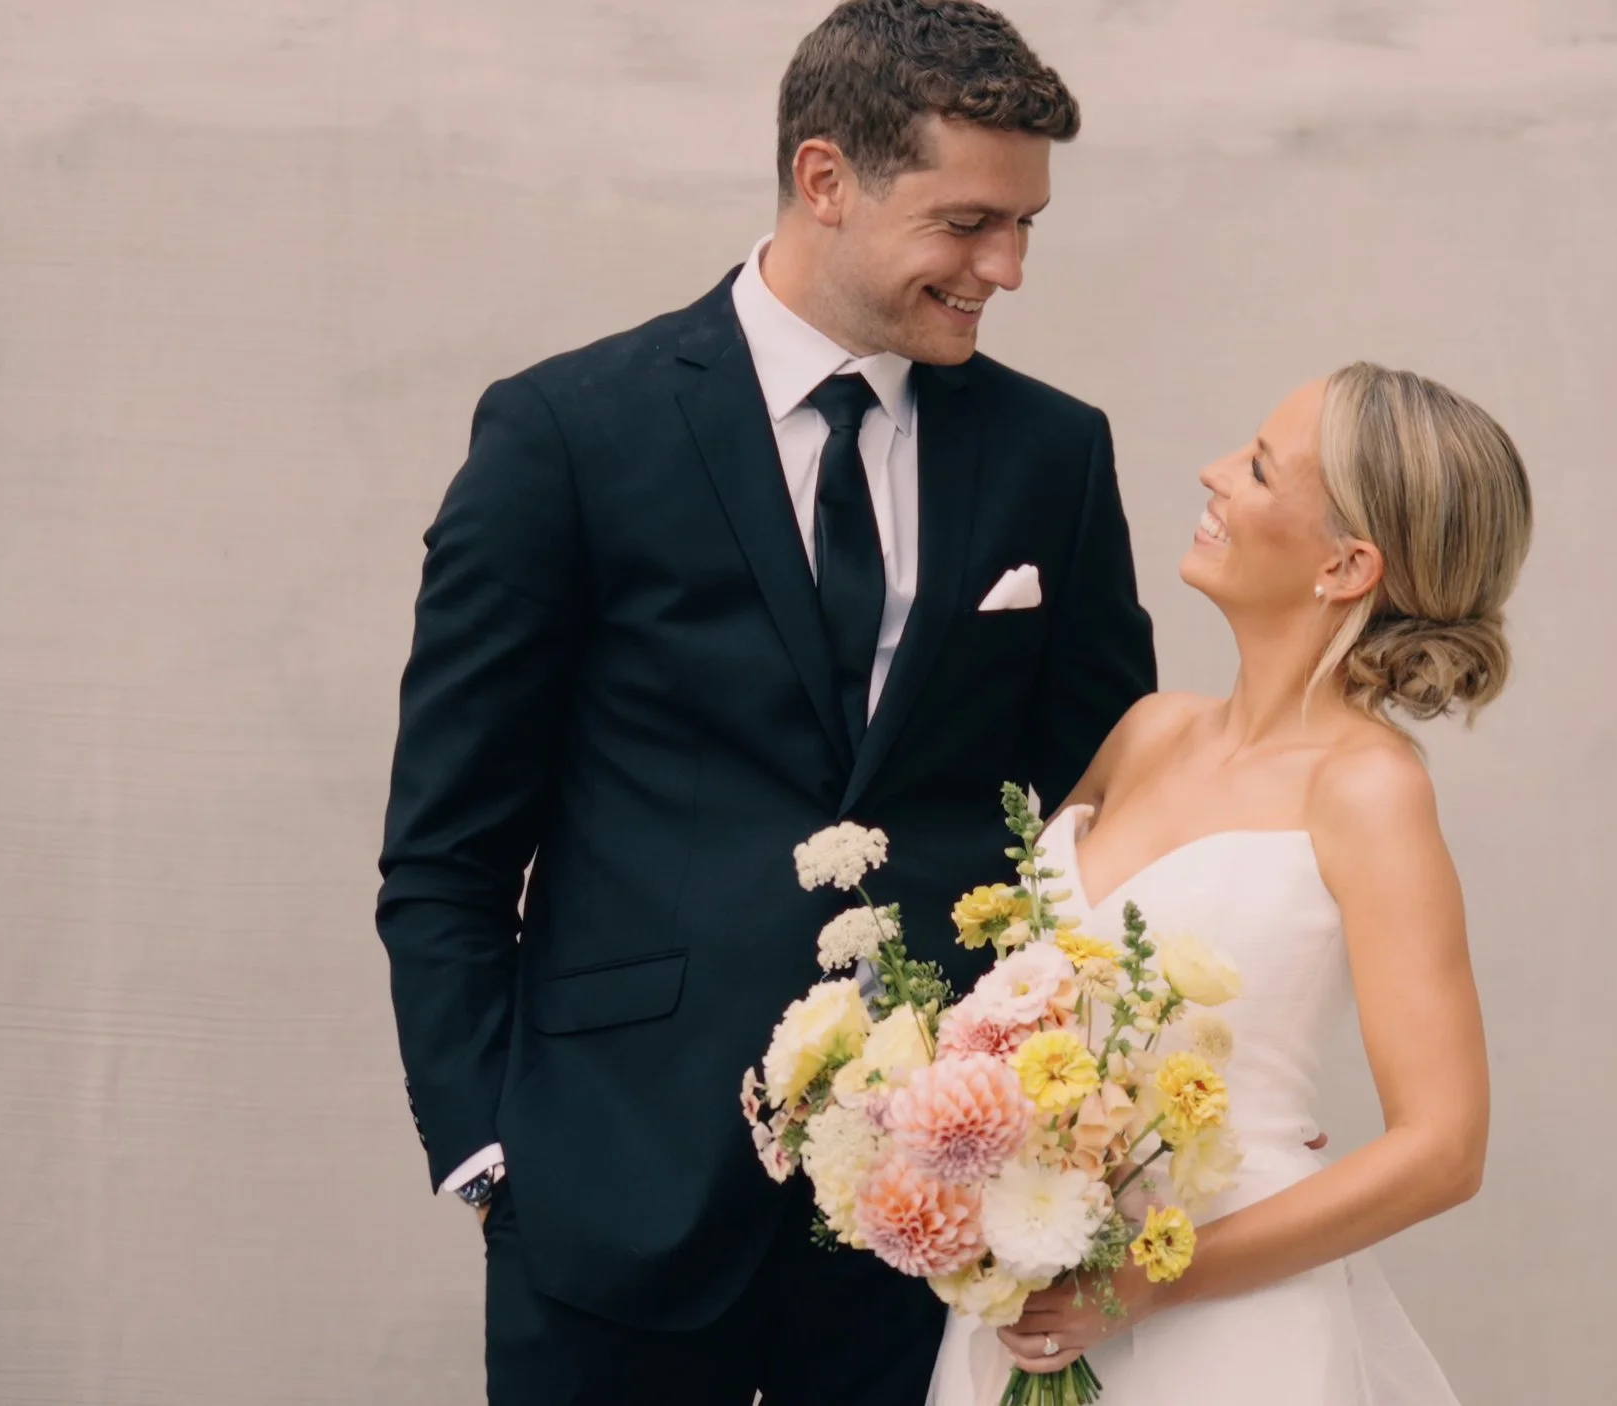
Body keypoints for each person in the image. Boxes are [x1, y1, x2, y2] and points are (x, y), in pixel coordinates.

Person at [371, 3, 1154, 1403]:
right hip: (612, 1185)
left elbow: (1108, 816)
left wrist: (1075, 1130)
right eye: (970, 222)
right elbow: (447, 849)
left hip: (938, 1218)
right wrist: (491, 1154)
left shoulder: (1055, 453)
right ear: (824, 177)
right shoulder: (568, 435)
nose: (1007, 268)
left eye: (1026, 225)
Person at [928, 363, 1532, 1404]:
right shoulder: (1146, 731)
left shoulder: (1367, 789)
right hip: (1028, 1296)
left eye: (1256, 468)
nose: (1213, 472)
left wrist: (1144, 1283)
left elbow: (1445, 1147)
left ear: (1346, 564)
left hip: (1222, 1324)